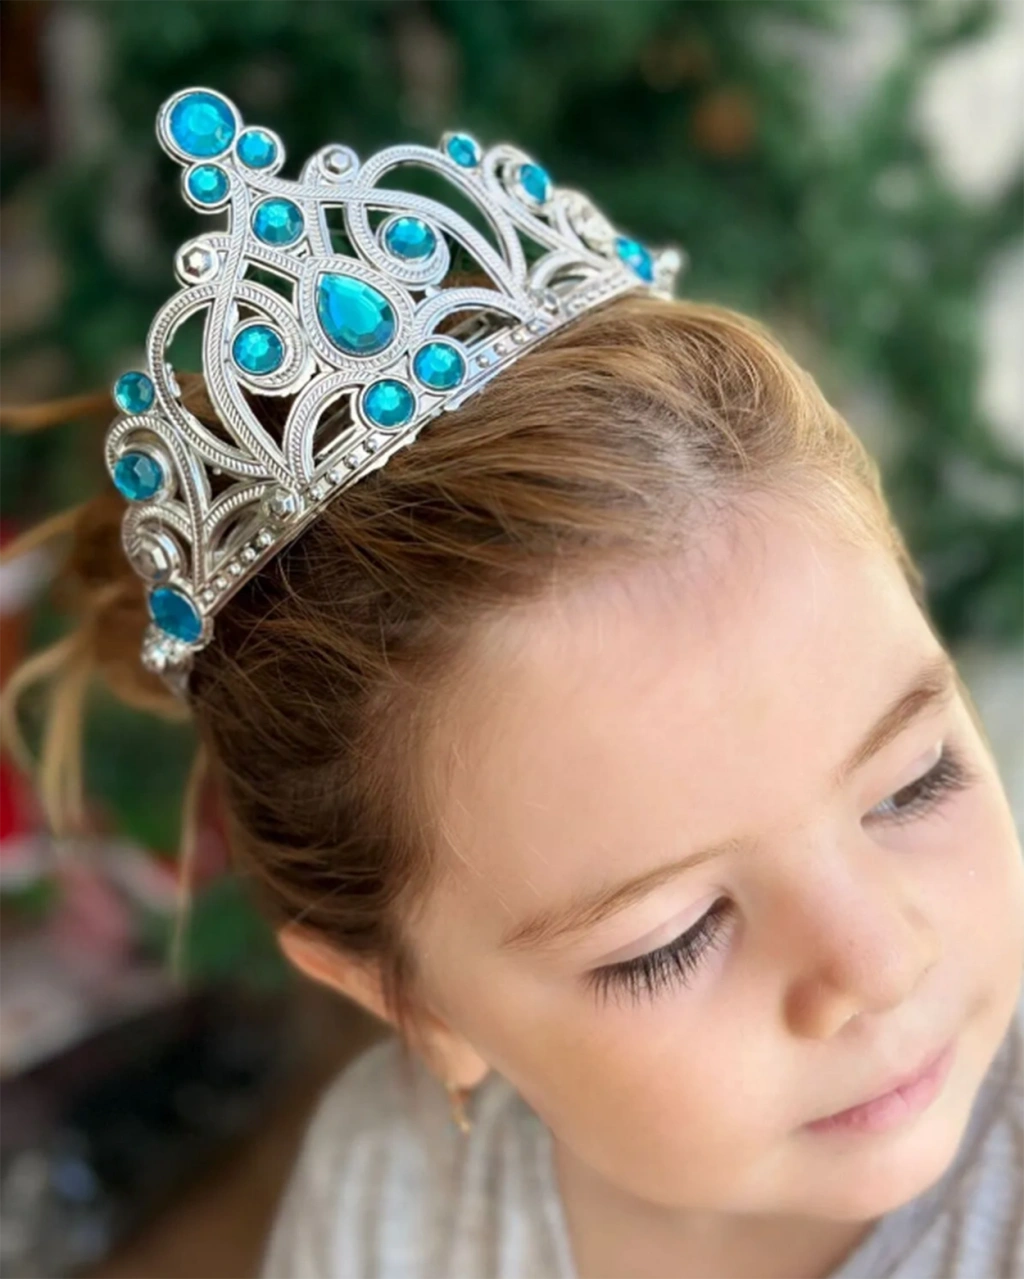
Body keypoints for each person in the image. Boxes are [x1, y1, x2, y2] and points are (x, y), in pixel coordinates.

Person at [3, 87, 1024, 1279]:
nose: (880, 960)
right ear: (415, 1003)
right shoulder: (388, 1204)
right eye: (670, 940)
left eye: (915, 781)